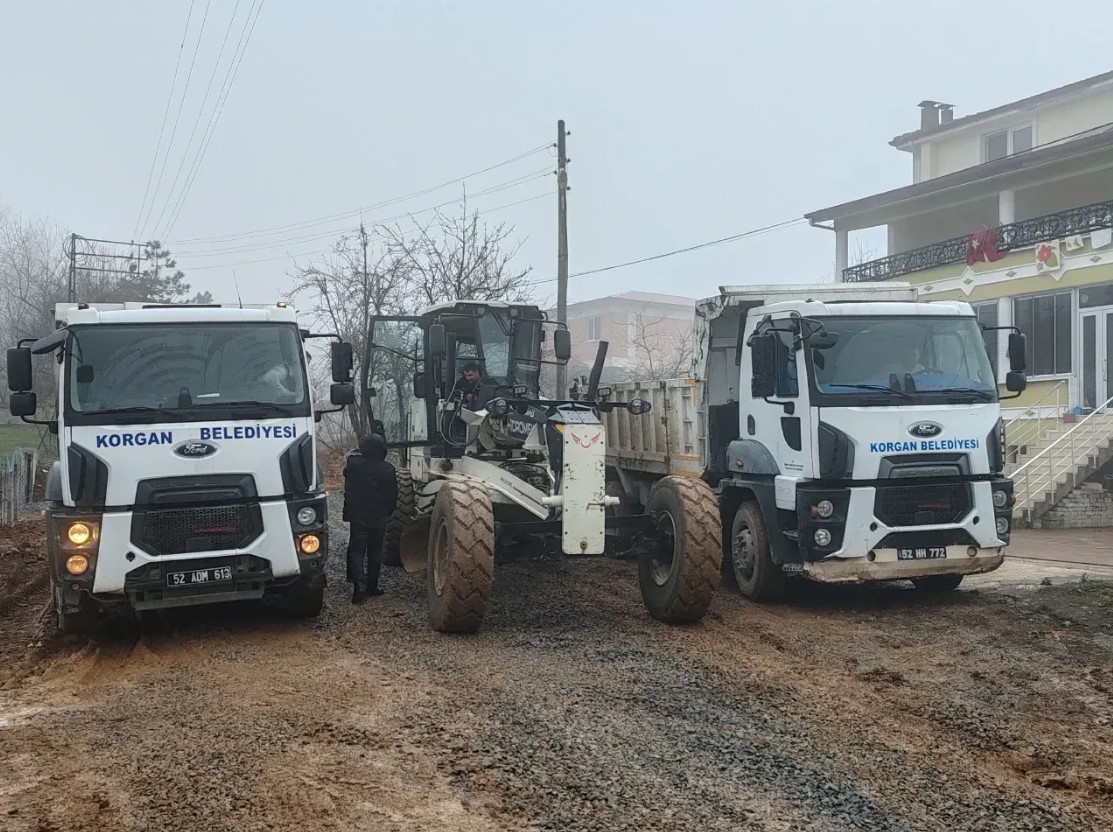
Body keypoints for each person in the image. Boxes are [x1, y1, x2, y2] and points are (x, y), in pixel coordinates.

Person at [343, 434, 398, 603]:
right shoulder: (388, 469)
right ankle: (372, 587)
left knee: (357, 551)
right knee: (375, 553)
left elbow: (346, 472)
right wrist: (387, 513)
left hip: (358, 516)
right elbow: (393, 495)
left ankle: (358, 585)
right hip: (379, 516)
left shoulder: (354, 465)